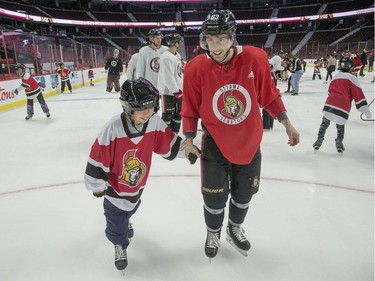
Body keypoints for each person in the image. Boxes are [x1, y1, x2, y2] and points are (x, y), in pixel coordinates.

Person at [181, 9, 300, 260]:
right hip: (214, 143)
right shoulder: (195, 68)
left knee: (244, 193)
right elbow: (189, 108)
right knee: (214, 196)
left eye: (221, 39)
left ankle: (234, 228)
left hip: (249, 142)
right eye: (209, 40)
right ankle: (213, 231)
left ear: (232, 37)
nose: (214, 46)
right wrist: (189, 140)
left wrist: (287, 123)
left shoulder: (255, 59)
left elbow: (269, 95)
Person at [84, 78, 186, 271]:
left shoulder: (153, 122)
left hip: (136, 185)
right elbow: (99, 155)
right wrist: (97, 185)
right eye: (142, 110)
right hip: (114, 187)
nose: (147, 114)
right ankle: (119, 245)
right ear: (128, 108)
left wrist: (186, 149)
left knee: (129, 209)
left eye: (151, 109)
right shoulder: (113, 128)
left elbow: (167, 142)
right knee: (115, 220)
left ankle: (125, 219)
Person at [312, 56, 372, 155]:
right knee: (340, 124)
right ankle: (339, 143)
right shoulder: (352, 78)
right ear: (351, 66)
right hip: (343, 105)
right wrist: (366, 111)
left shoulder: (335, 76)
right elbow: (359, 95)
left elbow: (330, 90)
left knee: (324, 123)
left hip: (330, 102)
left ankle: (319, 140)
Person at [157, 33, 183, 133]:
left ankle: (174, 135)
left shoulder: (177, 55)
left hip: (178, 91)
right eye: (177, 42)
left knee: (178, 114)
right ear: (173, 43)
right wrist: (176, 91)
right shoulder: (166, 57)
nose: (179, 44)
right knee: (168, 115)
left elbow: (177, 73)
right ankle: (166, 138)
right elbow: (168, 77)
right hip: (168, 92)